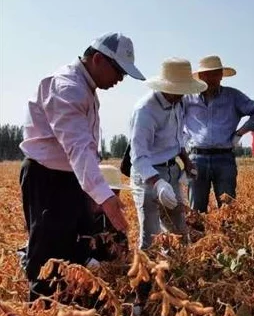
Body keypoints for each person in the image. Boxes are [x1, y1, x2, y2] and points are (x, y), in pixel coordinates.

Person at [19, 32, 145, 301]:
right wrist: (105, 197)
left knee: (73, 247)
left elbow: (83, 151)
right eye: (119, 71)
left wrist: (91, 191)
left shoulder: (83, 88)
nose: (120, 80)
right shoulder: (68, 87)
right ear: (98, 59)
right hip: (48, 179)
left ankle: (71, 313)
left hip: (68, 178)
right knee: (48, 259)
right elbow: (78, 148)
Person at [129, 58, 207, 250]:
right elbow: (138, 156)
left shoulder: (177, 103)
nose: (182, 94)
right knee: (152, 236)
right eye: (179, 89)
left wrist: (186, 162)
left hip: (171, 172)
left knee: (178, 231)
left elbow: (177, 139)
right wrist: (157, 183)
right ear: (166, 86)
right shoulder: (145, 111)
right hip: (148, 176)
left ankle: (176, 274)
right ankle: (148, 276)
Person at [183, 55, 254, 213]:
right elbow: (175, 120)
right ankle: (199, 238)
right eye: (207, 74)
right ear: (200, 76)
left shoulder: (233, 96)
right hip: (196, 158)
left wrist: (240, 133)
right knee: (196, 211)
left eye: (215, 74)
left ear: (221, 75)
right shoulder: (188, 98)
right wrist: (184, 141)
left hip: (224, 158)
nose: (210, 78)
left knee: (227, 209)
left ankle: (228, 237)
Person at [78, 165, 130, 266]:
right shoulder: (76, 215)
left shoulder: (111, 218)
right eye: (112, 193)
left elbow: (121, 244)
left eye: (117, 192)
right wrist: (86, 260)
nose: (115, 198)